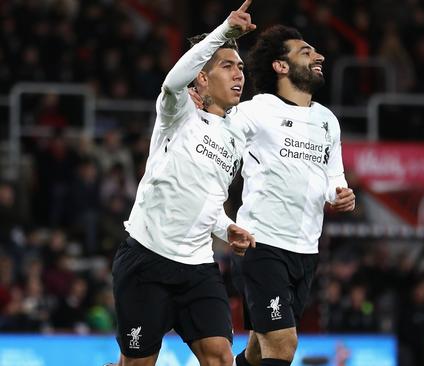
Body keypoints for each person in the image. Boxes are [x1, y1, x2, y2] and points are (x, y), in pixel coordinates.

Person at [192, 25, 355, 366]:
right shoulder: (257, 110)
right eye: (306, 52)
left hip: (306, 249)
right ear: (281, 66)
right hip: (262, 246)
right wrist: (199, 106)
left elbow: (332, 176)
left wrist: (340, 193)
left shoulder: (328, 121)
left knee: (258, 349)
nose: (319, 56)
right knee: (283, 344)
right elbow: (217, 126)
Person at [110, 2, 257, 365]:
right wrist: (223, 32)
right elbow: (173, 81)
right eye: (227, 65)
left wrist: (226, 228)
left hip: (197, 268)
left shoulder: (236, 137)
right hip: (147, 261)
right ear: (203, 79)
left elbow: (206, 199)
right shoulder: (178, 112)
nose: (239, 74)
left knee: (221, 358)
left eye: (240, 67)